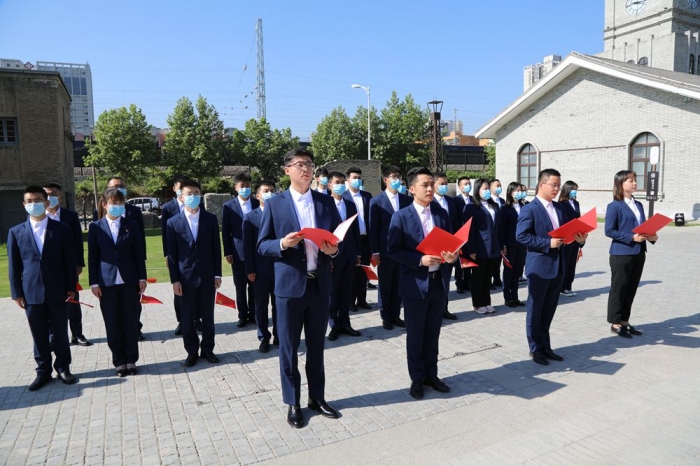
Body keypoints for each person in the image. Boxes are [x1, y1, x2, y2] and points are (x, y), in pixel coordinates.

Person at [258, 148, 342, 429]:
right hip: (289, 288)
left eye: (309, 164)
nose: (306, 169)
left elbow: (336, 241)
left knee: (316, 347)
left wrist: (333, 250)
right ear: (287, 171)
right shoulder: (275, 204)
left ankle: (316, 398)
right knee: (289, 348)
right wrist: (283, 243)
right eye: (299, 165)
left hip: (319, 285)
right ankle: (293, 402)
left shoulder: (325, 202)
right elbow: (262, 245)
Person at [388, 167, 459, 400]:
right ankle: (417, 379)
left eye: (432, 184)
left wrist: (453, 256)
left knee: (433, 334)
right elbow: (393, 250)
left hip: (438, 283)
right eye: (424, 185)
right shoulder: (401, 217)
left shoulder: (441, 214)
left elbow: (451, 244)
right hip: (415, 285)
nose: (430, 189)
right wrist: (419, 260)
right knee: (416, 335)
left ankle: (431, 375)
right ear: (411, 189)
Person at [8, 185, 77, 391]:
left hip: (58, 290)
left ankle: (63, 367)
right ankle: (43, 371)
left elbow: (69, 260)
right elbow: (14, 266)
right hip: (31, 291)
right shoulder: (16, 232)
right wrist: (16, 292)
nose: (33, 204)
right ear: (24, 204)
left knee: (60, 331)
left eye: (37, 200)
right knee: (38, 333)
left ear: (46, 203)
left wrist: (71, 286)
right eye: (29, 201)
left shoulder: (62, 229)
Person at [516, 169, 587, 365]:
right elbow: (521, 236)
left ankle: (546, 346)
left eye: (558, 185)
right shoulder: (529, 209)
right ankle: (535, 348)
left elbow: (566, 234)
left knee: (548, 310)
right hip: (539, 267)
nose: (557, 189)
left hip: (558, 267)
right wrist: (548, 243)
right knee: (535, 310)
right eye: (554, 185)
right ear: (542, 185)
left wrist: (579, 240)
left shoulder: (560, 208)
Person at [88, 188, 147, 377]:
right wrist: (94, 283)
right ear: (104, 205)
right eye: (114, 203)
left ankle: (131, 360)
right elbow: (93, 257)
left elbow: (139, 253)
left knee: (131, 321)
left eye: (121, 203)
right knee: (112, 323)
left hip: (129, 280)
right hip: (106, 282)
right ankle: (119, 361)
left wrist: (142, 277)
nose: (117, 206)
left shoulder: (131, 225)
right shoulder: (95, 227)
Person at [167, 179, 223, 367]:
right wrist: (175, 280)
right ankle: (191, 351)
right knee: (187, 317)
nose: (193, 196)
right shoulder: (173, 222)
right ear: (181, 197)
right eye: (189, 194)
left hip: (207, 276)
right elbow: (172, 255)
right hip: (185, 278)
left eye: (196, 193)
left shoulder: (210, 219)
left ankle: (208, 349)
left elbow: (216, 248)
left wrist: (217, 274)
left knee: (208, 315)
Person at [605, 170, 657, 338]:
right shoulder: (614, 206)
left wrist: (652, 237)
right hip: (621, 253)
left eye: (635, 180)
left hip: (639, 252)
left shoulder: (638, 205)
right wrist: (631, 237)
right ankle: (615, 323)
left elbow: (643, 227)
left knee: (631, 288)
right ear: (621, 184)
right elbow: (609, 230)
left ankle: (624, 321)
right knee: (619, 289)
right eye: (630, 181)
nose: (635, 183)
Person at [43, 182, 91, 346]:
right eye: (46, 195)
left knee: (73, 301)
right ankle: (53, 337)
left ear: (59, 197)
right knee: (49, 303)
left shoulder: (70, 216)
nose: (49, 198)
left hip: (68, 267)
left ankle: (77, 334)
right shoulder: (39, 217)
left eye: (52, 195)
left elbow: (78, 241)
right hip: (48, 269)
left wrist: (79, 264)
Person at [369, 165, 412, 330]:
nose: (397, 180)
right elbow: (373, 228)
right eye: (394, 177)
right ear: (385, 179)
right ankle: (385, 316)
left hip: (402, 250)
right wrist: (375, 251)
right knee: (385, 285)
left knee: (398, 285)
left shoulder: (406, 200)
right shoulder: (376, 202)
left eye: (398, 177)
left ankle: (395, 314)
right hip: (385, 251)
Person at [105, 176, 147, 341]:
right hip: (110, 267)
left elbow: (140, 238)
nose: (118, 188)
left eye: (121, 186)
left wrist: (141, 262)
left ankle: (136, 328)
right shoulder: (101, 210)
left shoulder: (134, 211)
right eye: (114, 186)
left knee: (134, 302)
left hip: (130, 264)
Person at [161, 175, 201, 335]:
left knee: (197, 290)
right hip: (179, 257)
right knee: (180, 291)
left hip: (196, 259)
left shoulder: (198, 206)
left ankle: (196, 318)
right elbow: (165, 235)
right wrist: (167, 255)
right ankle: (182, 321)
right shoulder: (168, 208)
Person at [242, 180, 279, 353]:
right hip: (259, 270)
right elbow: (247, 246)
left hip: (279, 268)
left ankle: (279, 335)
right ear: (257, 196)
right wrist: (250, 269)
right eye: (265, 191)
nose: (269, 193)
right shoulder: (250, 218)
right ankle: (264, 337)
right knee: (261, 306)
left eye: (271, 190)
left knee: (279, 305)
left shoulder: (281, 214)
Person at [328, 171, 363, 341]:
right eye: (337, 182)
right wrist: (328, 257)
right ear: (329, 185)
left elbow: (355, 230)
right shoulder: (325, 205)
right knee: (333, 293)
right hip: (333, 257)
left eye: (343, 182)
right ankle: (334, 325)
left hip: (349, 254)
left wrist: (357, 254)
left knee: (346, 292)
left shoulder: (350, 205)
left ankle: (345, 323)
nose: (340, 185)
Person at [222, 173, 259, 328]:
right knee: (240, 286)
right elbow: (226, 231)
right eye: (242, 186)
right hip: (238, 252)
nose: (245, 188)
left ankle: (254, 314)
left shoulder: (257, 203)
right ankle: (242, 315)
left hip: (256, 251)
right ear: (236, 188)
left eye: (247, 185)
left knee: (255, 285)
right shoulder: (228, 206)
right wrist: (228, 252)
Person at [463, 178, 505, 314]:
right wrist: (471, 249)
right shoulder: (471, 207)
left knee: (488, 277)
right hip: (479, 248)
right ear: (477, 190)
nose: (487, 191)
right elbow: (469, 230)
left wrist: (501, 244)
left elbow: (499, 228)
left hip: (493, 247)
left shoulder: (495, 206)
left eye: (488, 188)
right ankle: (477, 304)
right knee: (478, 277)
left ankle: (487, 302)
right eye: (484, 188)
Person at [343, 166, 372, 311]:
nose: (357, 180)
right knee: (352, 273)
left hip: (365, 239)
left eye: (359, 178)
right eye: (354, 178)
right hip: (351, 240)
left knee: (363, 272)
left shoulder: (367, 196)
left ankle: (362, 300)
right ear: (348, 180)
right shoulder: (344, 196)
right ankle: (350, 301)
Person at [432, 172, 459, 320]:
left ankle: (444, 308)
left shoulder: (451, 201)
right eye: (441, 184)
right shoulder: (430, 202)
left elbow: (456, 223)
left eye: (445, 184)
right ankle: (435, 310)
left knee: (446, 280)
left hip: (450, 247)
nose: (444, 186)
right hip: (435, 246)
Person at [501, 182, 528, 308]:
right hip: (509, 245)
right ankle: (508, 297)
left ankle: (515, 296)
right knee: (509, 271)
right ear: (510, 192)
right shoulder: (504, 208)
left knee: (517, 271)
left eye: (520, 190)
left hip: (522, 245)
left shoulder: (524, 207)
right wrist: (503, 245)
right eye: (516, 190)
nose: (519, 193)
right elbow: (502, 228)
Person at [558, 181, 581, 297]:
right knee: (565, 263)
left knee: (572, 263)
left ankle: (569, 286)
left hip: (576, 237)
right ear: (567, 190)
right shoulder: (561, 204)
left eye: (576, 189)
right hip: (566, 238)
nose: (574, 191)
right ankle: (562, 287)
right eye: (573, 189)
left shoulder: (576, 203)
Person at [454, 176, 474, 294]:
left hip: (471, 235)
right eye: (465, 184)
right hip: (459, 235)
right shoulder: (455, 201)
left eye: (469, 183)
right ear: (459, 186)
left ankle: (467, 282)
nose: (468, 186)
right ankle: (459, 283)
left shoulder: (473, 199)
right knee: (459, 261)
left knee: (469, 259)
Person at [489, 179, 505, 289]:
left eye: (500, 185)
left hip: (500, 232)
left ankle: (497, 278)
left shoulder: (502, 201)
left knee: (498, 258)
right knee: (491, 259)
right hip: (491, 234)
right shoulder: (489, 201)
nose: (499, 188)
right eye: (497, 186)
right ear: (491, 188)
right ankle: (489, 280)